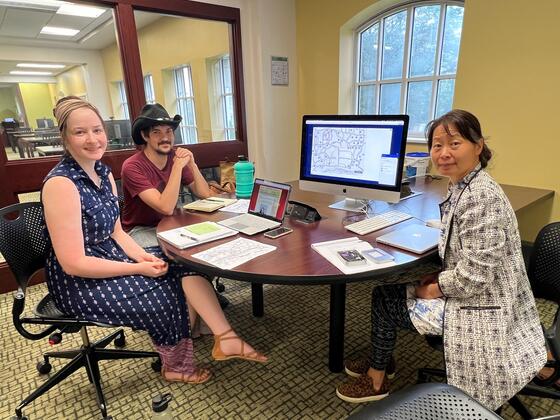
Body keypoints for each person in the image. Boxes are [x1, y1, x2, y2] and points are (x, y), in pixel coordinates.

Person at [335, 109, 546, 410]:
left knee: (384, 298)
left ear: (479, 146)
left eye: (454, 143)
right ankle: (383, 358)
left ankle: (377, 377)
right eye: (437, 145)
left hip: (483, 307)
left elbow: (474, 276)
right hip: (489, 291)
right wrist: (440, 276)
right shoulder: (467, 185)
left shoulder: (481, 198)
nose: (444, 153)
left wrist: (431, 289)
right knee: (395, 287)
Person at [120, 103, 267, 363]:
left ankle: (196, 323)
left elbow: (204, 193)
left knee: (210, 249)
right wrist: (177, 168)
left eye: (169, 131)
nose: (166, 137)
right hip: (141, 230)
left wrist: (193, 164)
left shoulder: (176, 157)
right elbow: (165, 206)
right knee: (180, 261)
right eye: (157, 132)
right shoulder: (133, 167)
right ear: (144, 136)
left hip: (175, 224)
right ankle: (184, 334)